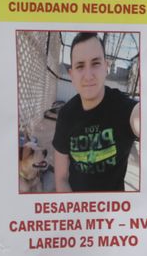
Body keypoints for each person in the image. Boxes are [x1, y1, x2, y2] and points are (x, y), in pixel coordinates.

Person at [52, 32, 140, 192]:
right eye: (80, 66)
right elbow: (61, 178)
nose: (88, 75)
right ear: (71, 75)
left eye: (96, 63)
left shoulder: (123, 107)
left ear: (106, 67)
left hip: (115, 210)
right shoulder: (66, 115)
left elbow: (139, 117)